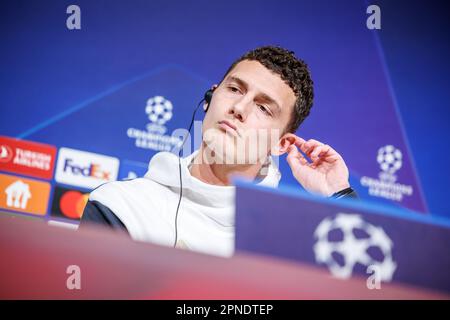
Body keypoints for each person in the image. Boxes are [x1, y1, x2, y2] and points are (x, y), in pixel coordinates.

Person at [80, 46, 357, 257]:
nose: (239, 108)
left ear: (281, 144)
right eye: (235, 89)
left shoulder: (296, 242)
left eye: (263, 107)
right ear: (209, 98)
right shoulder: (122, 206)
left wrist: (340, 194)